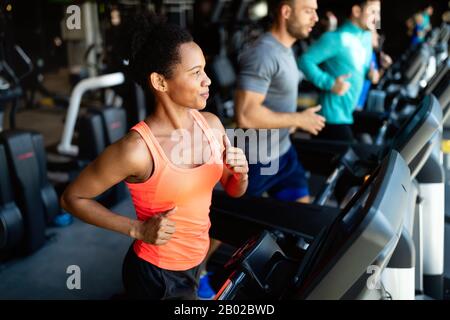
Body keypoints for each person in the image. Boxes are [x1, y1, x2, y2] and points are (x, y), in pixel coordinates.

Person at [60, 13, 249, 300]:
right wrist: (136, 229)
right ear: (160, 82)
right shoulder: (137, 149)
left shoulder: (211, 124)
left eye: (205, 70)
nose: (207, 80)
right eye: (195, 72)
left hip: (197, 261)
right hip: (157, 276)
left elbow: (234, 190)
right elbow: (72, 198)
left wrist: (240, 174)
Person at [235, 0, 324, 204]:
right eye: (308, 11)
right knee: (228, 230)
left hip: (283, 153)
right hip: (258, 161)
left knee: (302, 222)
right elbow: (245, 115)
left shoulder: (285, 48)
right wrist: (298, 119)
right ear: (286, 12)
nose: (316, 18)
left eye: (315, 12)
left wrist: (292, 122)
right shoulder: (264, 54)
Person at [298, 0, 381, 142]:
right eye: (372, 11)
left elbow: (359, 66)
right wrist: (330, 83)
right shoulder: (336, 38)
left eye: (378, 12)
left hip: (350, 111)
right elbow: (305, 61)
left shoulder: (366, 37)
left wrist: (370, 74)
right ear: (356, 11)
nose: (377, 18)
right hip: (331, 117)